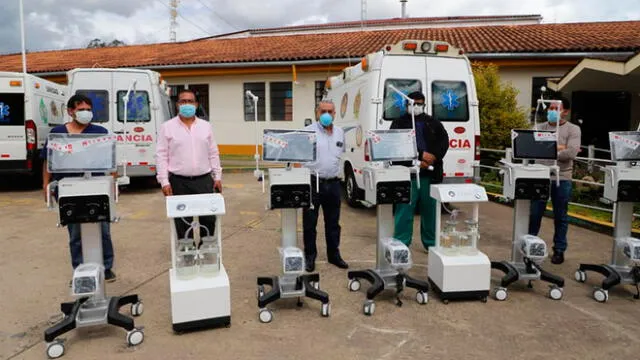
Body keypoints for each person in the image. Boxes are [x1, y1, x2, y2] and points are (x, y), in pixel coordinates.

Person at [41, 94, 117, 282]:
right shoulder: (58, 134)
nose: (86, 113)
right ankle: (79, 268)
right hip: (68, 190)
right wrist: (46, 185)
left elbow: (109, 159)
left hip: (97, 188)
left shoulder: (99, 131)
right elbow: (48, 161)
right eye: (81, 109)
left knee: (103, 230)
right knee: (75, 233)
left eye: (88, 109)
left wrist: (113, 183)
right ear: (70, 111)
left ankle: (106, 267)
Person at [156, 89, 222, 241]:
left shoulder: (206, 126)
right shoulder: (167, 127)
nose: (187, 104)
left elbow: (213, 153)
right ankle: (186, 254)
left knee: (208, 219)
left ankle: (207, 251)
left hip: (204, 181)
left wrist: (217, 176)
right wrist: (164, 181)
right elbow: (161, 156)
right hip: (179, 182)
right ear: (177, 105)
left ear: (196, 104)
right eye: (183, 101)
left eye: (190, 101)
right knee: (182, 222)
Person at [390, 91, 449, 252]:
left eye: (419, 103)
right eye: (412, 103)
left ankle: (431, 243)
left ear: (424, 104)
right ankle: (402, 243)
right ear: (406, 105)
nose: (416, 106)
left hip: (429, 176)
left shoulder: (433, 123)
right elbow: (396, 146)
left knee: (431, 211)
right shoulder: (398, 123)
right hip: (407, 175)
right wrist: (420, 157)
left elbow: (444, 142)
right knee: (404, 211)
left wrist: (434, 157)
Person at [529, 96, 581, 265]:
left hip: (562, 177)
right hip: (540, 175)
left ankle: (559, 249)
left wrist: (548, 148)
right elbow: (532, 148)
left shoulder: (573, 130)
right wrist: (559, 147)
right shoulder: (539, 127)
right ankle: (530, 245)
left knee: (560, 216)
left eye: (555, 108)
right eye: (550, 108)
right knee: (535, 213)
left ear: (565, 111)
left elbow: (571, 153)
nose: (551, 111)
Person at [302, 100, 348, 272]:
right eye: (323, 111)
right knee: (309, 223)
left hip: (334, 183)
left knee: (333, 223)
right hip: (313, 182)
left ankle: (334, 255)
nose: (327, 115)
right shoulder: (308, 132)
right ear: (317, 113)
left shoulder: (340, 133)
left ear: (335, 113)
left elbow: (340, 155)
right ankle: (310, 256)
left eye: (330, 111)